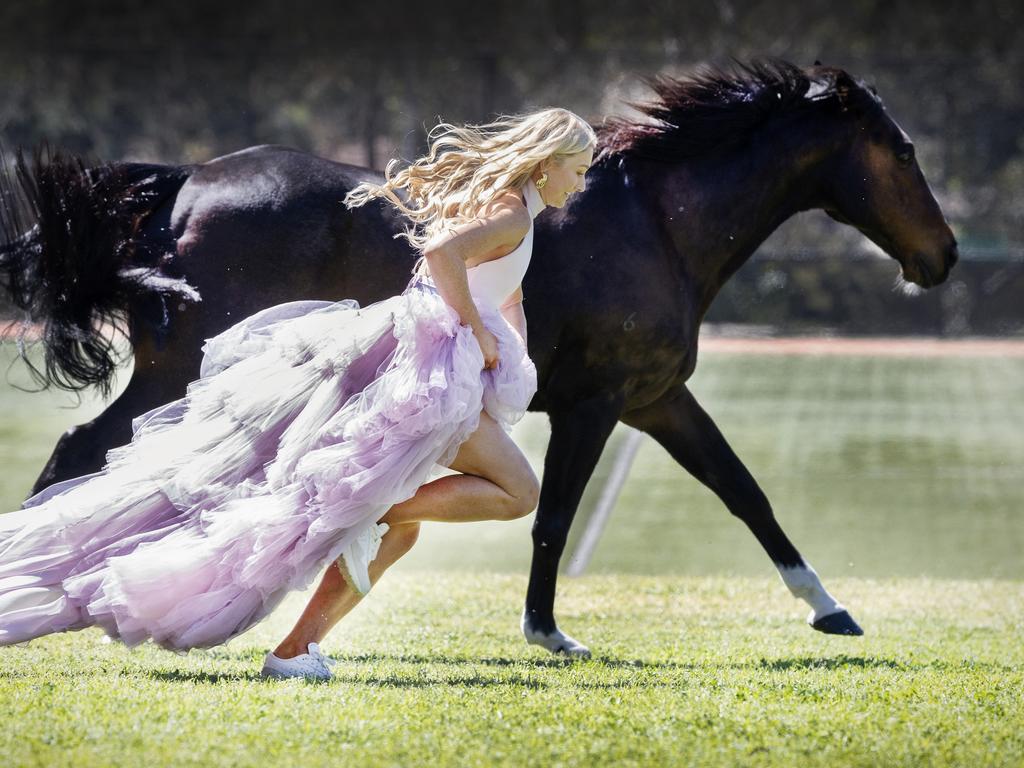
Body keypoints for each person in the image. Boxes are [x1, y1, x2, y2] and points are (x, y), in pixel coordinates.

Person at [0, 107, 597, 680]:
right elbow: (441, 256)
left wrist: (506, 346)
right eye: (579, 167)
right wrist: (473, 328)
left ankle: (296, 649)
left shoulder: (516, 210)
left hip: (433, 362)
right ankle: (372, 511)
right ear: (547, 164)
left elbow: (501, 288)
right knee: (515, 493)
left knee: (400, 534)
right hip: (429, 368)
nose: (582, 182)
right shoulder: (511, 214)